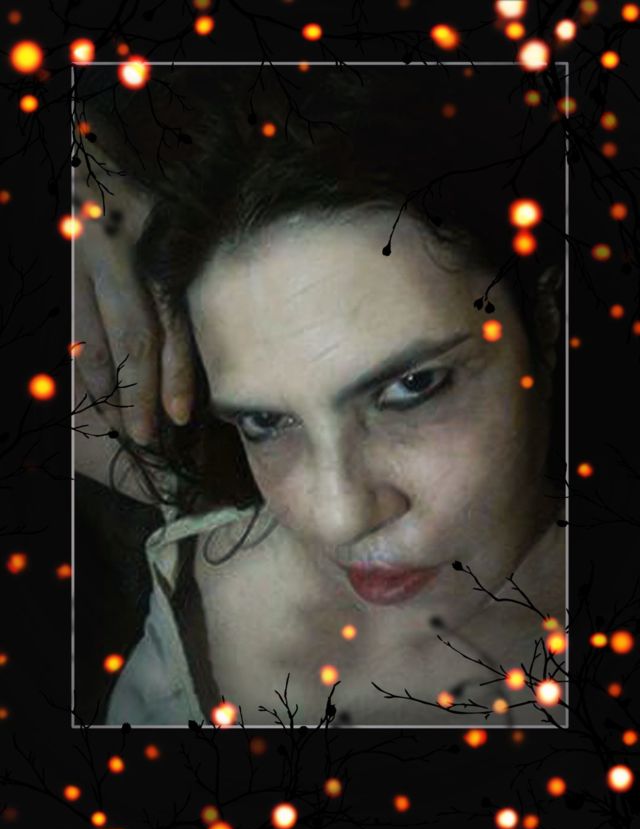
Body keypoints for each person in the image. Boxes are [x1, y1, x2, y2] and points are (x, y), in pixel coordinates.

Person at [73, 65, 566, 726]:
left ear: (548, 318)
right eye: (265, 420)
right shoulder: (209, 528)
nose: (338, 518)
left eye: (412, 387)